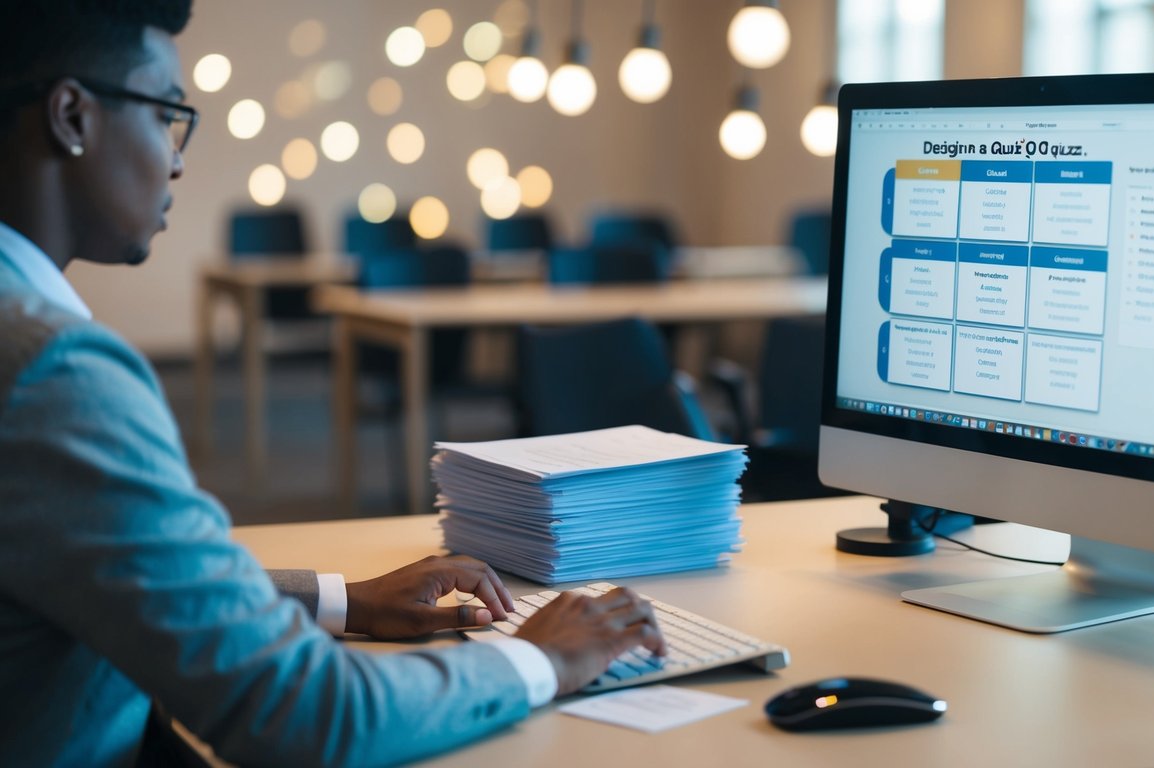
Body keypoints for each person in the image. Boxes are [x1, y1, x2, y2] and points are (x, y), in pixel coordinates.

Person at [0, 2, 664, 765]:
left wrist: (343, 599)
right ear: (72, 116)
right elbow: (309, 716)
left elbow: (114, 564)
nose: (178, 159)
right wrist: (542, 658)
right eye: (166, 116)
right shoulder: (53, 375)